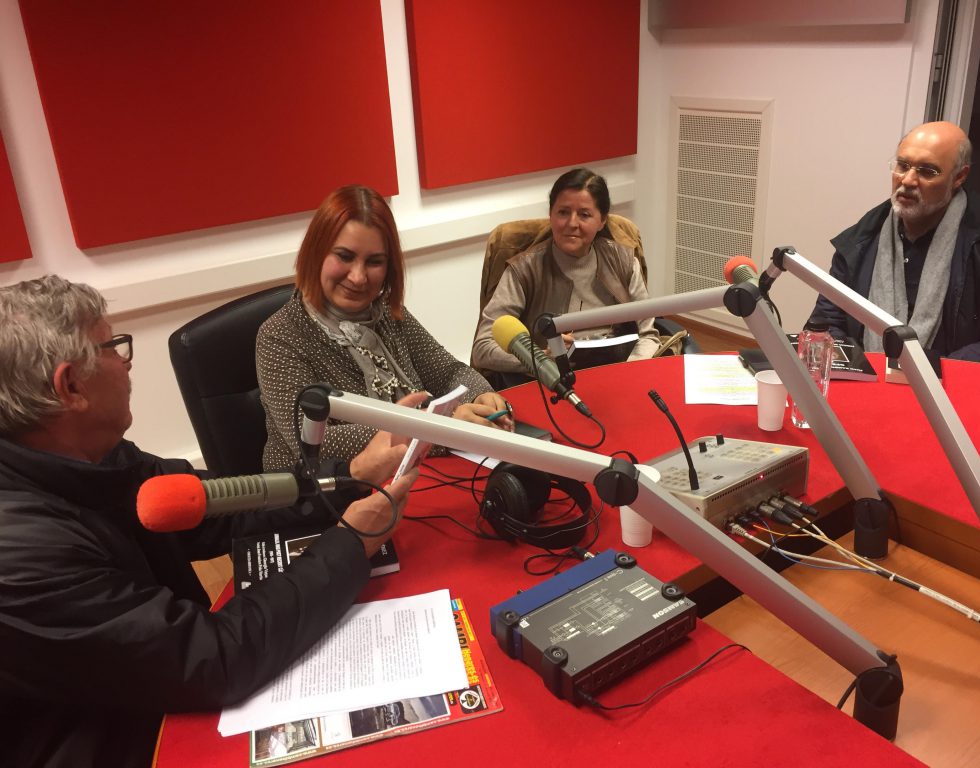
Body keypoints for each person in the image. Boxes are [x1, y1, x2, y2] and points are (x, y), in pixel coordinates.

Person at [0, 275, 419, 767]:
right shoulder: (22, 555)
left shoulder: (93, 457)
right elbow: (214, 658)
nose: (126, 361)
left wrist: (348, 476)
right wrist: (350, 543)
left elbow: (217, 507)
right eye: (112, 346)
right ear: (71, 385)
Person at [257, 185, 510, 472]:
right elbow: (316, 442)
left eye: (374, 262)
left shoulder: (388, 313)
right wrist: (442, 427)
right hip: (322, 489)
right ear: (316, 253)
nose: (358, 276)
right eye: (345, 256)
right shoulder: (279, 335)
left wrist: (480, 396)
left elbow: (449, 372)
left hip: (410, 470)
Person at [809, 121, 980, 367]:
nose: (908, 180)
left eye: (927, 171)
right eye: (903, 165)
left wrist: (935, 370)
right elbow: (826, 323)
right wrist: (860, 369)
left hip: (954, 386)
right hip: (869, 382)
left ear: (959, 177)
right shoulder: (860, 240)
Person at [471, 168, 660, 385]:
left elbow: (648, 335)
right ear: (551, 215)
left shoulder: (624, 262)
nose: (572, 223)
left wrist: (627, 374)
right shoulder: (523, 270)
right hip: (551, 384)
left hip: (617, 376)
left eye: (584, 214)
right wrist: (542, 360)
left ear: (601, 221)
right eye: (563, 212)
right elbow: (483, 348)